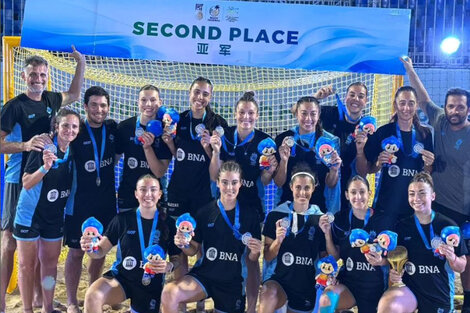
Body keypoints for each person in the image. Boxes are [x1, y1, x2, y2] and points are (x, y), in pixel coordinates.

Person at [0, 48, 85, 312]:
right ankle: (1, 301)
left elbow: (73, 94)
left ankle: (39, 298)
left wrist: (81, 63)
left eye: (42, 74)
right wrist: (25, 145)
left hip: (45, 177)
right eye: (33, 74)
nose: (38, 79)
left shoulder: (50, 100)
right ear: (24, 77)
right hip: (20, 178)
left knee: (42, 250)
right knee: (10, 241)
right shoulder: (14, 107)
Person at [401, 56, 470, 313]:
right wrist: (409, 68)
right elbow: (421, 97)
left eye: (460, 107)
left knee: (463, 259)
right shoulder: (439, 118)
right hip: (440, 204)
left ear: (468, 109)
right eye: (451, 106)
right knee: (437, 255)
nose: (455, 111)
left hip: (465, 207)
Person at [160, 161, 262, 313]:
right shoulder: (205, 212)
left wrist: (255, 252)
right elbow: (193, 250)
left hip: (232, 284)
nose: (229, 187)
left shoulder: (250, 215)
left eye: (234, 182)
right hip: (205, 276)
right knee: (169, 293)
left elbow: (252, 261)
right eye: (225, 182)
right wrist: (184, 244)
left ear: (240, 183)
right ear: (218, 183)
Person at [209, 91, 277, 312]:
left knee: (251, 258)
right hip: (224, 206)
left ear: (256, 115)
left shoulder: (264, 142)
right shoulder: (224, 136)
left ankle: (250, 307)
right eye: (241, 112)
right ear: (235, 114)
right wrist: (215, 151)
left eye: (250, 113)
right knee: (218, 252)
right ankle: (210, 300)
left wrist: (269, 171)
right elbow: (214, 175)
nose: (245, 117)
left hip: (250, 208)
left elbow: (265, 181)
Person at [13, 108, 80, 313]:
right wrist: (44, 167)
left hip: (53, 216)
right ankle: (27, 309)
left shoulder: (73, 150)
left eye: (74, 126)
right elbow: (26, 183)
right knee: (27, 265)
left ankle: (47, 307)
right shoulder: (43, 147)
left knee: (50, 265)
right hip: (30, 214)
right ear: (56, 127)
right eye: (65, 125)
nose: (70, 130)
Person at [80, 174, 180, 313]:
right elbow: (100, 251)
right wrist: (89, 247)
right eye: (143, 190)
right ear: (136, 194)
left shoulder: (169, 223)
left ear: (160, 194)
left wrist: (169, 266)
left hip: (150, 283)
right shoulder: (122, 219)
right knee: (93, 295)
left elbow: (177, 260)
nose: (148, 194)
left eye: (153, 190)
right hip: (122, 279)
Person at [377, 172, 467, 313]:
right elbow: (392, 260)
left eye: (422, 193)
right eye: (411, 194)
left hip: (439, 294)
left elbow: (461, 267)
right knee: (388, 306)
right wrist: (392, 270)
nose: (416, 198)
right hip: (410, 292)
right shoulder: (401, 226)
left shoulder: (448, 226)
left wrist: (452, 257)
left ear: (433, 196)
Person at [63, 86, 118, 313]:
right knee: (76, 253)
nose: (99, 109)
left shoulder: (113, 129)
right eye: (94, 105)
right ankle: (71, 301)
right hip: (79, 203)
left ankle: (91, 294)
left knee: (99, 252)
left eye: (103, 105)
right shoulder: (76, 131)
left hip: (105, 202)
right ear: (85, 107)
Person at [356, 86, 434, 229]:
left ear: (416, 105)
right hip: (387, 206)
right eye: (402, 103)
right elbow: (365, 171)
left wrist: (429, 164)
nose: (406, 108)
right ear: (395, 105)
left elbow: (427, 173)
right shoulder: (383, 132)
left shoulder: (425, 134)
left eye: (411, 103)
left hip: (415, 207)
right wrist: (379, 162)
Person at [259, 168, 331, 313]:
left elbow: (325, 257)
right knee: (268, 293)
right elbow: (267, 256)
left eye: (307, 188)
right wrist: (278, 241)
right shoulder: (276, 215)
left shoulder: (320, 219)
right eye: (298, 187)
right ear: (291, 187)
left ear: (313, 189)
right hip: (279, 280)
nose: (302, 192)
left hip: (306, 285)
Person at [319, 175, 388, 313]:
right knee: (327, 299)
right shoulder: (340, 219)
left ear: (369, 193)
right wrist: (327, 235)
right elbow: (336, 257)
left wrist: (381, 261)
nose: (358, 196)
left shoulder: (383, 220)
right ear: (346, 195)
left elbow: (394, 259)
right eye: (353, 192)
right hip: (349, 286)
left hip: (376, 287)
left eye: (362, 192)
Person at [274, 96, 342, 213]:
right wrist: (284, 161)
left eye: (313, 114)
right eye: (304, 113)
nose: (308, 118)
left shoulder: (330, 142)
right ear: (296, 114)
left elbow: (331, 184)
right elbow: (279, 182)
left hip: (318, 209)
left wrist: (334, 170)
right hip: (287, 206)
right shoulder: (283, 139)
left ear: (319, 114)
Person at [314, 83, 369, 212]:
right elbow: (296, 111)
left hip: (349, 190)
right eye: (352, 95)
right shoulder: (328, 113)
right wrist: (316, 98)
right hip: (322, 183)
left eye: (361, 96)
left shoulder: (367, 129)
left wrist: (361, 150)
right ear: (345, 98)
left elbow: (364, 172)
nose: (356, 99)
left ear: (366, 102)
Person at [116, 85, 172, 212]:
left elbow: (159, 172)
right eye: (143, 100)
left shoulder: (166, 131)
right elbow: (113, 160)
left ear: (160, 103)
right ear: (138, 102)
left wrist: (147, 148)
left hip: (155, 198)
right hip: (128, 195)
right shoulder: (125, 127)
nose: (148, 104)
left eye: (153, 100)